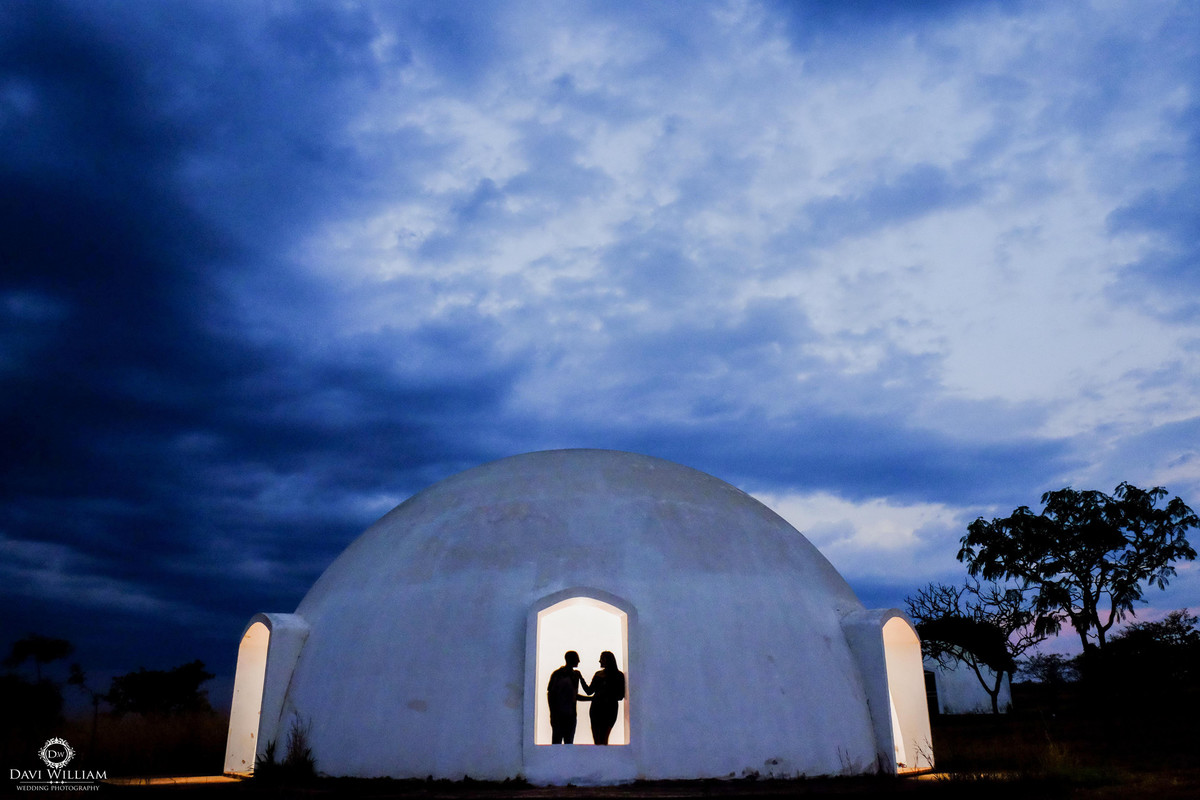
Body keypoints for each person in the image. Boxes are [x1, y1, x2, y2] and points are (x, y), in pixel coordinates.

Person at [546, 650, 590, 744]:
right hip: (559, 715)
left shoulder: (575, 675)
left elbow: (574, 696)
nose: (579, 661)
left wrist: (591, 698)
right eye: (577, 658)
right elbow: (551, 694)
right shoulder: (558, 674)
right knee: (557, 742)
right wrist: (553, 713)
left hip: (570, 715)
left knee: (568, 742)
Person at [587, 651, 625, 745]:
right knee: (602, 739)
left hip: (602, 707)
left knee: (599, 739)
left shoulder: (599, 675)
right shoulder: (618, 675)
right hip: (608, 707)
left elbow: (589, 691)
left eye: (602, 659)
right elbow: (620, 695)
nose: (600, 661)